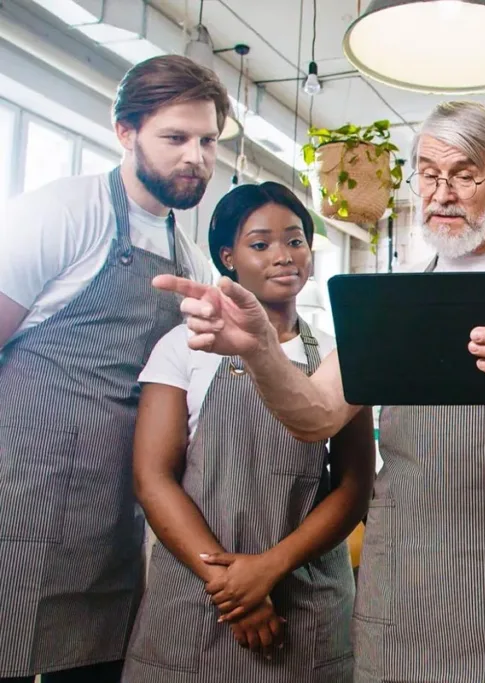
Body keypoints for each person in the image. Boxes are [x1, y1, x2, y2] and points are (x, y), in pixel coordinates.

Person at [153, 101, 485, 681]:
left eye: (465, 173)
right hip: (411, 578)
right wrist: (259, 350)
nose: (442, 192)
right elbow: (316, 414)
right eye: (429, 174)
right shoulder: (390, 300)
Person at [0, 55, 229, 682]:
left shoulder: (188, 255)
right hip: (18, 509)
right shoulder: (64, 214)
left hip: (112, 523)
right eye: (175, 138)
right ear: (125, 132)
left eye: (208, 140)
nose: (196, 157)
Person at [121, 182, 374, 682]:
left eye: (296, 240)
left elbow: (354, 486)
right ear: (227, 256)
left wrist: (267, 570)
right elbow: (153, 477)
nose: (284, 256)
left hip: (304, 599)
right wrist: (230, 587)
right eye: (260, 244)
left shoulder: (338, 355)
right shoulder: (184, 345)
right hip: (199, 598)